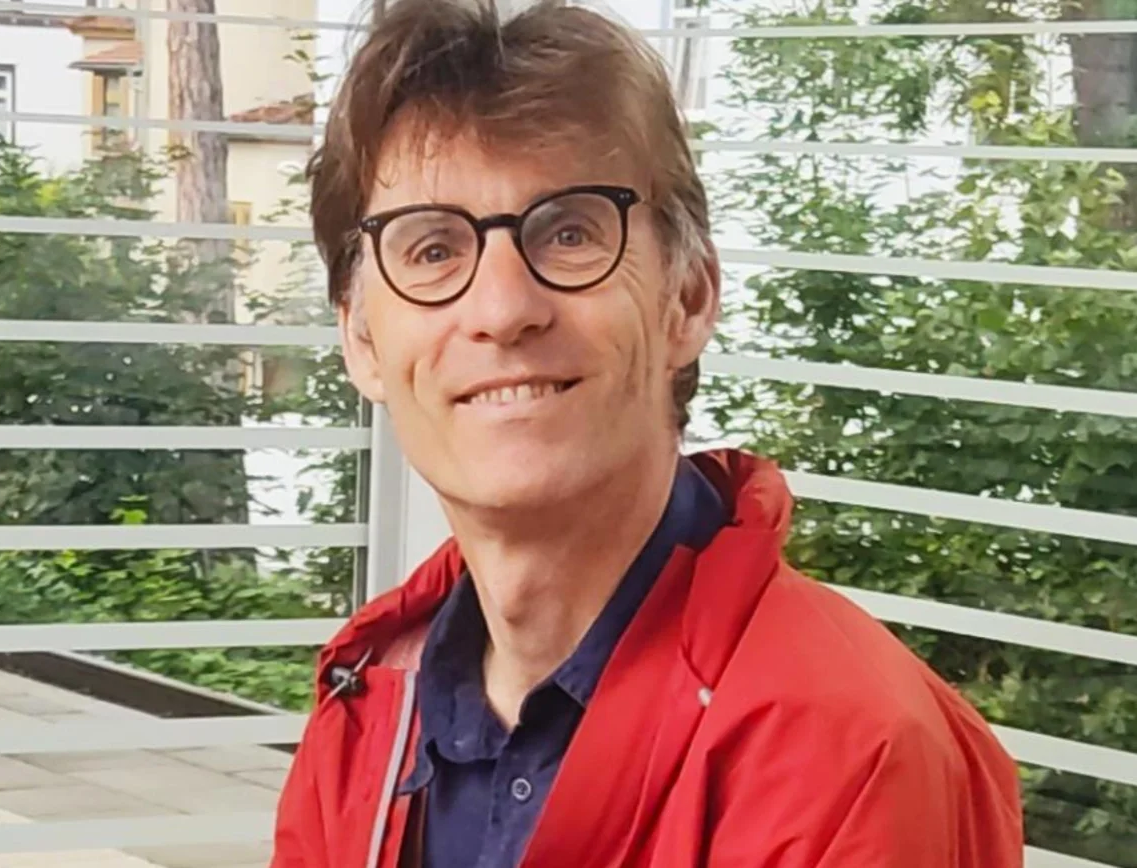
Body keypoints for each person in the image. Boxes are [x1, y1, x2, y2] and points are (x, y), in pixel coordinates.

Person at [271, 0, 1024, 866]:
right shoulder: (370, 708)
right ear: (363, 342)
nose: (503, 310)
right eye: (433, 250)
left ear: (688, 299)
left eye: (569, 232)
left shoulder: (851, 756)